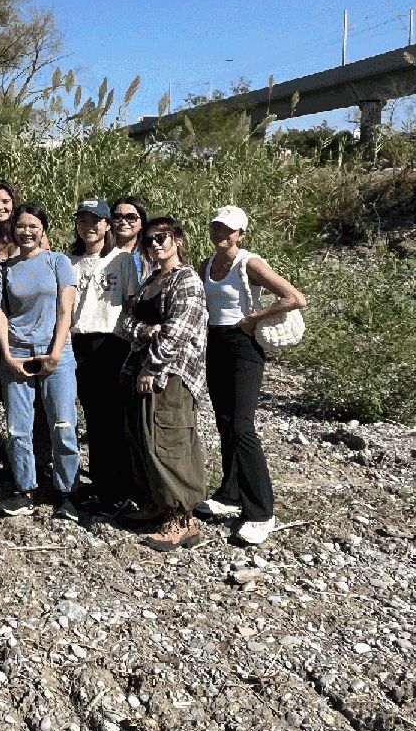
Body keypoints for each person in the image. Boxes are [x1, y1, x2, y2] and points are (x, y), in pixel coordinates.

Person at [195, 205, 307, 546]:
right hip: (215, 343)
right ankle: (229, 495)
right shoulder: (206, 265)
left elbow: (294, 297)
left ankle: (261, 512)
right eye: (217, 226)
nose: (221, 233)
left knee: (242, 426)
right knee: (225, 422)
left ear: (241, 234)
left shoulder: (250, 263)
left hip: (244, 346)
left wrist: (255, 317)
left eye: (228, 229)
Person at [118, 216, 210, 551]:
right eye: (149, 240)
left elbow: (177, 331)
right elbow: (125, 323)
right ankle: (156, 506)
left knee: (168, 441)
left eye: (162, 238)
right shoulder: (151, 281)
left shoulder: (186, 279)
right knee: (143, 439)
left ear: (178, 240)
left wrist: (152, 366)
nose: (155, 244)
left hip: (170, 375)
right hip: (141, 370)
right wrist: (145, 331)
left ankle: (181, 520)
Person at [0, 204, 79, 519]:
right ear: (12, 230)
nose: (26, 231)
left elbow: (64, 311)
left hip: (55, 350)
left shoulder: (59, 262)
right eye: (20, 226)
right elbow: (1, 313)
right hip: (17, 351)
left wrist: (55, 354)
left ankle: (66, 492)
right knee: (18, 427)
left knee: (63, 423)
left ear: (43, 229)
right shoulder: (4, 268)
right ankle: (24, 489)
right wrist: (7, 355)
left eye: (33, 225)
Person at [67, 198, 139, 518]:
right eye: (83, 220)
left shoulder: (122, 261)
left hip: (112, 342)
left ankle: (120, 489)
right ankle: (99, 484)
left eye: (96, 220)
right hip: (78, 342)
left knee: (115, 419)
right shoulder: (68, 262)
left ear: (107, 225)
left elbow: (134, 304)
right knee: (93, 419)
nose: (90, 227)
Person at [110, 196, 150, 287]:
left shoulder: (151, 255)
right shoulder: (101, 253)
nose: (123, 222)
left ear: (142, 223)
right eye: (117, 217)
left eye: (131, 217)